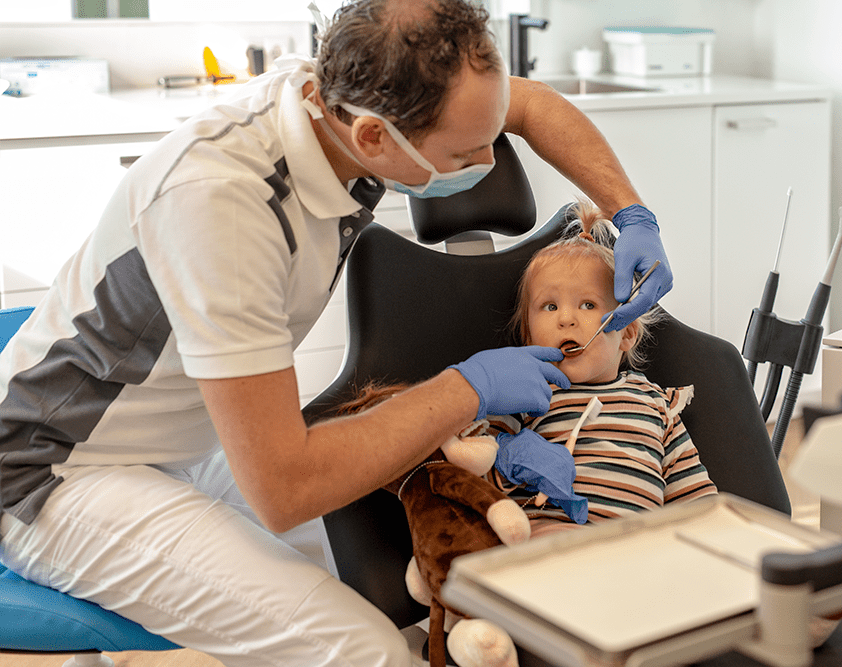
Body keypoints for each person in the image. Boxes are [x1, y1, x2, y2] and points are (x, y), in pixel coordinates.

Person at [0, 1, 673, 665]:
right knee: (365, 647)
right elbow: (284, 485)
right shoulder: (223, 209)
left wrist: (631, 211)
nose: (487, 160)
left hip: (191, 430)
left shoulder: (339, 99)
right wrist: (467, 387)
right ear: (376, 139)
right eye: (465, 152)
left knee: (370, 574)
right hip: (59, 472)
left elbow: (528, 108)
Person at [486, 202, 717, 536]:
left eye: (588, 304)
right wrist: (503, 461)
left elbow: (698, 503)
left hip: (635, 556)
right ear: (528, 336)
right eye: (549, 306)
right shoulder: (522, 394)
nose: (566, 318)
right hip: (549, 545)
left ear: (627, 332)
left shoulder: (658, 405)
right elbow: (472, 473)